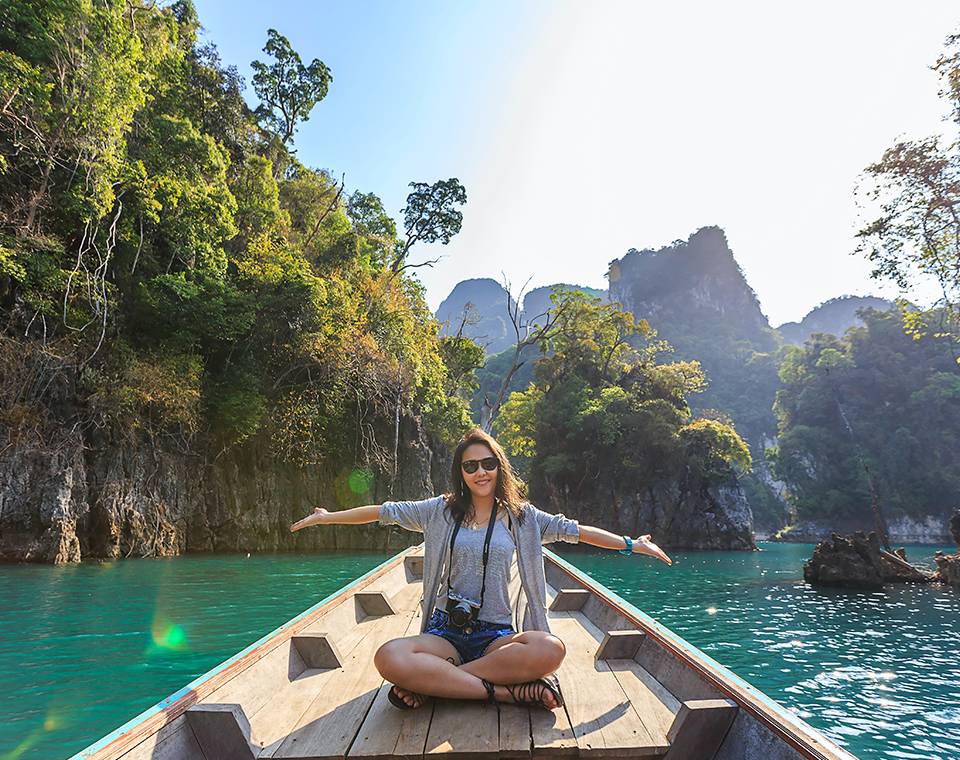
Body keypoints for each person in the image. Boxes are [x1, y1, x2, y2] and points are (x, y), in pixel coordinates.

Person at [290, 427, 672, 711]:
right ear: (461, 472)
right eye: (470, 466)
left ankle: (439, 683)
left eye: (488, 463)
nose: (480, 472)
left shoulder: (524, 519)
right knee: (388, 656)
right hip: (446, 633)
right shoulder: (438, 510)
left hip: (495, 636)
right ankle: (503, 692)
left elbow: (578, 532)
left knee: (549, 648)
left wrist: (630, 544)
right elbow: (381, 511)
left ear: (498, 466)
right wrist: (326, 518)